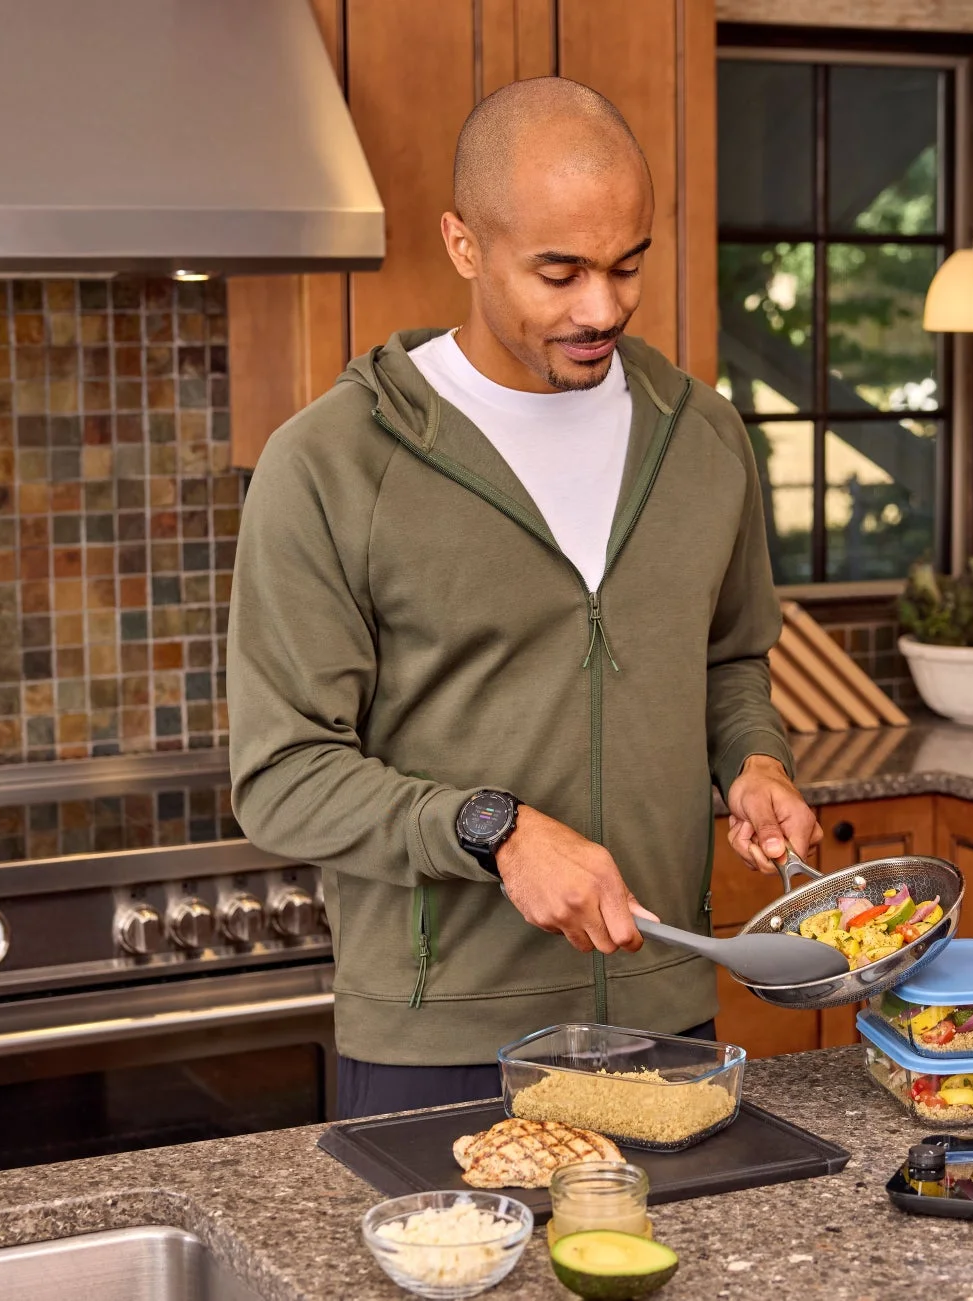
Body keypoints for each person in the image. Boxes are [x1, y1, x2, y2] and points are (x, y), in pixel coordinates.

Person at [228, 77, 821, 1119]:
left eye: (626, 265)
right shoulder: (330, 461)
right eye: (560, 272)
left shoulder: (703, 437)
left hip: (668, 1018)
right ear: (464, 245)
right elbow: (282, 775)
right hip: (441, 1040)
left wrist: (754, 762)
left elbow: (727, 659)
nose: (602, 308)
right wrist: (492, 830)